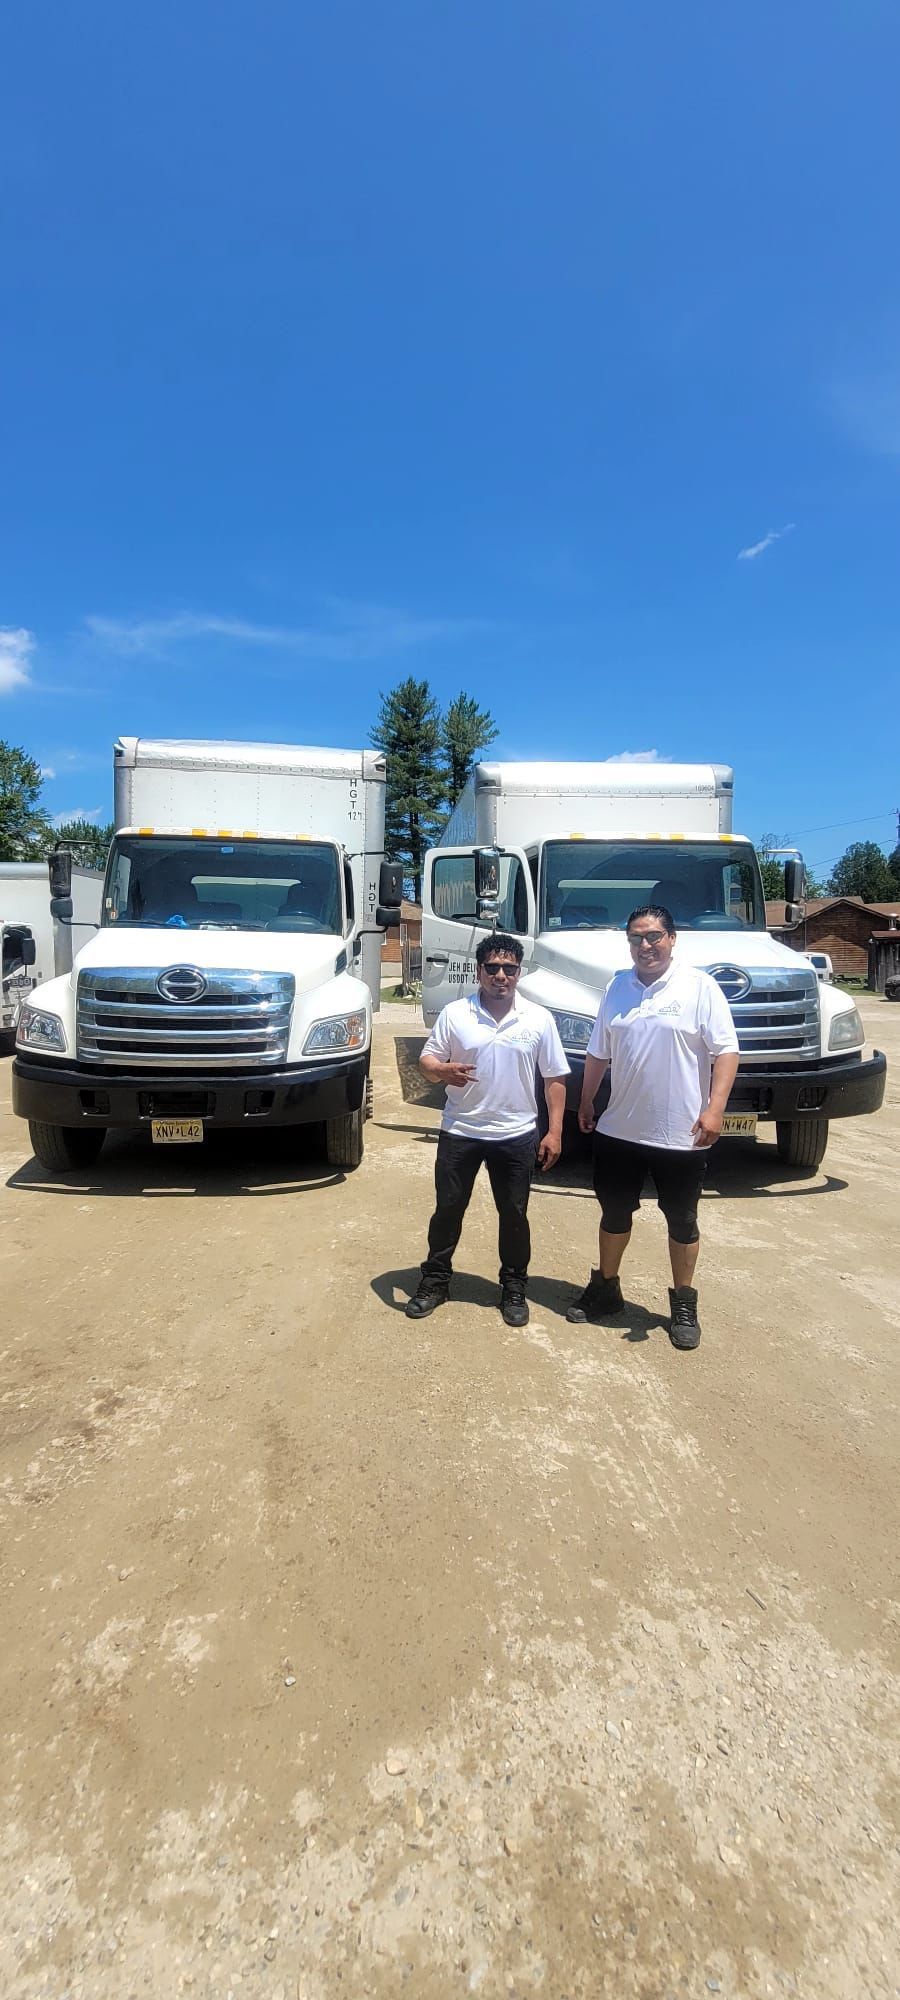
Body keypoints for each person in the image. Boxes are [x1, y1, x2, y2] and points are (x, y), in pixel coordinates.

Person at [566, 905, 740, 1348]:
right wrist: (586, 1102)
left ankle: (683, 1302)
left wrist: (715, 1109)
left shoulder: (700, 987)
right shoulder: (616, 987)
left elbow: (726, 1052)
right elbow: (598, 1052)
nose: (645, 945)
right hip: (620, 1129)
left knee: (682, 1220)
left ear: (672, 938)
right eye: (637, 937)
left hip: (682, 1135)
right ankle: (606, 1288)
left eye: (655, 936)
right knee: (614, 1213)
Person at [406, 933, 569, 1327]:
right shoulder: (455, 1013)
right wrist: (440, 1071)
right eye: (492, 968)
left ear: (519, 972)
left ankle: (513, 1287)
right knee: (448, 1210)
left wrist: (555, 1132)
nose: (501, 975)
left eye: (509, 969)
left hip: (515, 1134)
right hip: (461, 1130)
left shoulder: (538, 1018)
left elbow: (554, 1078)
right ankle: (435, 1280)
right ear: (479, 971)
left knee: (514, 1214)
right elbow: (427, 1060)